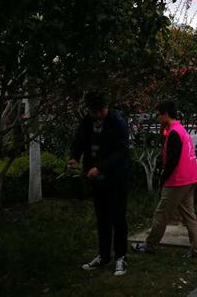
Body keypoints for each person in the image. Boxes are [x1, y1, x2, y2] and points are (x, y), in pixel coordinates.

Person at [68, 92, 130, 276]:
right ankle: (103, 255)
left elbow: (121, 151)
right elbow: (79, 140)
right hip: (96, 180)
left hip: (117, 178)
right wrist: (75, 157)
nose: (97, 115)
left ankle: (121, 256)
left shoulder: (117, 122)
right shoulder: (88, 121)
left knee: (118, 218)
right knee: (102, 218)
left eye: (100, 111)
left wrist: (101, 168)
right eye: (93, 112)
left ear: (106, 107)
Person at [131, 101, 197, 257]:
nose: (157, 118)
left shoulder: (174, 132)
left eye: (159, 115)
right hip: (190, 178)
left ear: (165, 114)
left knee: (161, 214)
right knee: (189, 216)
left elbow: (172, 161)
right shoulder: (180, 129)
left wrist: (163, 178)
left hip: (178, 180)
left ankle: (150, 245)